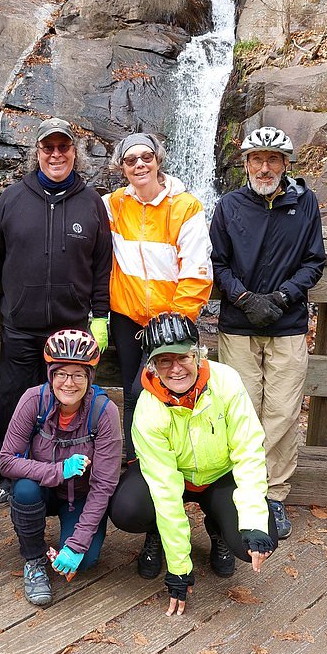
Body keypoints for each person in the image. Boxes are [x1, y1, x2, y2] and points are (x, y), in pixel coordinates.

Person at [0, 117, 113, 510]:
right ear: (37, 152)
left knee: (68, 404)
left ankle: (62, 480)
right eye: (48, 148)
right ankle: (9, 478)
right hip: (20, 325)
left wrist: (99, 315)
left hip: (70, 332)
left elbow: (103, 266)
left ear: (73, 153)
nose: (56, 154)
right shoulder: (13, 198)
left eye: (63, 147)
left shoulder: (92, 203)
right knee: (14, 401)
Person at [108, 312, 278, 617]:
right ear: (152, 367)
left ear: (198, 354)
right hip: (175, 476)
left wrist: (252, 520)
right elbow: (164, 489)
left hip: (219, 475)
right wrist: (179, 568)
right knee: (127, 509)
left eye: (183, 357)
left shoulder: (226, 381)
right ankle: (156, 534)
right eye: (164, 361)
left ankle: (219, 532)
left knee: (258, 537)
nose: (176, 368)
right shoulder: (147, 409)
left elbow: (249, 451)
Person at [209, 126, 325, 540]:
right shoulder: (228, 205)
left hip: (287, 323)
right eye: (256, 159)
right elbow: (217, 262)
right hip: (238, 325)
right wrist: (243, 299)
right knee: (241, 411)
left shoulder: (305, 203)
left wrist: (280, 296)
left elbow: (314, 262)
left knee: (281, 412)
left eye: (272, 159)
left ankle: (273, 495)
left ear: (286, 164)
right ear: (245, 164)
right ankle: (242, 490)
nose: (264, 167)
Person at [103, 132, 212, 462]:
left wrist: (177, 319)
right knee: (129, 387)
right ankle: (135, 460)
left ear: (158, 159)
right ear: (121, 167)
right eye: (131, 160)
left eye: (146, 157)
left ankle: (168, 459)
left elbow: (196, 268)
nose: (140, 165)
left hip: (169, 319)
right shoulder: (113, 205)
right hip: (126, 316)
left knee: (150, 387)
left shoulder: (185, 206)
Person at [0, 329, 122, 606]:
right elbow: (7, 460)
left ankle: (73, 541)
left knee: (87, 561)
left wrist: (77, 545)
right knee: (24, 490)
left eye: (78, 375)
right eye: (61, 374)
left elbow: (103, 485)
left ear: (89, 378)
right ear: (51, 375)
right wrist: (58, 470)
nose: (69, 383)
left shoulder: (104, 412)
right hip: (42, 489)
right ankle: (34, 558)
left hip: (78, 495)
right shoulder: (34, 400)